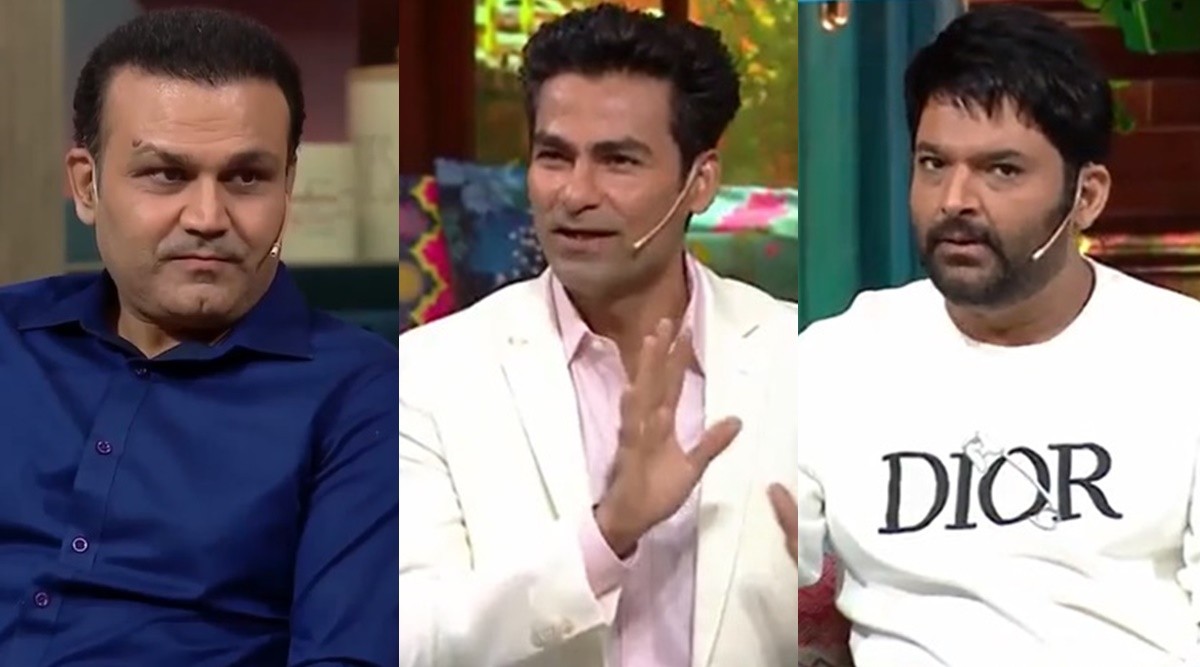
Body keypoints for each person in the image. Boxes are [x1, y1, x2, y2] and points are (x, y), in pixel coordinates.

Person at [773, 4, 1200, 666]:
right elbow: (749, 577)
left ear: (1086, 196)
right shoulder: (839, 360)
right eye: (933, 163)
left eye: (1002, 170)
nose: (954, 200)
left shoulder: (1180, 356)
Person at [397, 4, 798, 666]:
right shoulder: (428, 374)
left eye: (618, 160)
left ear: (699, 181)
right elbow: (409, 638)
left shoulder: (798, 357)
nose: (575, 193)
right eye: (554, 157)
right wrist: (607, 532)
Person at [0, 8, 397, 666]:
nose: (208, 218)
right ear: (87, 186)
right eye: (166, 174)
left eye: (246, 177)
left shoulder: (361, 396)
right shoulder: (10, 339)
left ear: (288, 187)